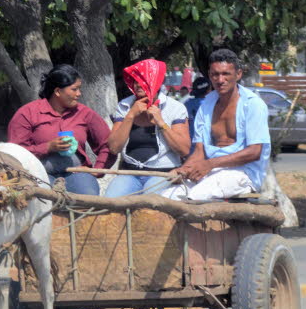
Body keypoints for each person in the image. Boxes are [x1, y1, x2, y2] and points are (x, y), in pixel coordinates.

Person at [162, 49, 271, 201]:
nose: (220, 80)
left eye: (226, 74)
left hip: (244, 173)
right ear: (209, 75)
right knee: (167, 197)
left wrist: (210, 164)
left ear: (238, 74)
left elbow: (254, 152)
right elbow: (199, 151)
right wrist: (184, 169)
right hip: (211, 171)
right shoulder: (206, 104)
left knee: (194, 197)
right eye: (215, 74)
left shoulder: (253, 105)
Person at [7, 64, 111, 195]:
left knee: (88, 197)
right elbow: (15, 153)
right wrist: (48, 147)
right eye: (74, 89)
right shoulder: (27, 113)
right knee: (42, 201)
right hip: (39, 174)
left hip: (76, 173)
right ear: (57, 91)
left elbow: (108, 144)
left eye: (79, 89)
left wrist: (98, 169)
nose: (79, 94)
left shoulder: (84, 113)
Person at [105, 59, 191, 197]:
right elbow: (114, 147)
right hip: (130, 173)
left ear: (156, 82)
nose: (137, 85)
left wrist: (160, 122)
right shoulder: (125, 106)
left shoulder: (175, 108)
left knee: (150, 206)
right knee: (110, 201)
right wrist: (131, 115)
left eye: (143, 80)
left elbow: (184, 149)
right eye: (135, 80)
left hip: (162, 173)